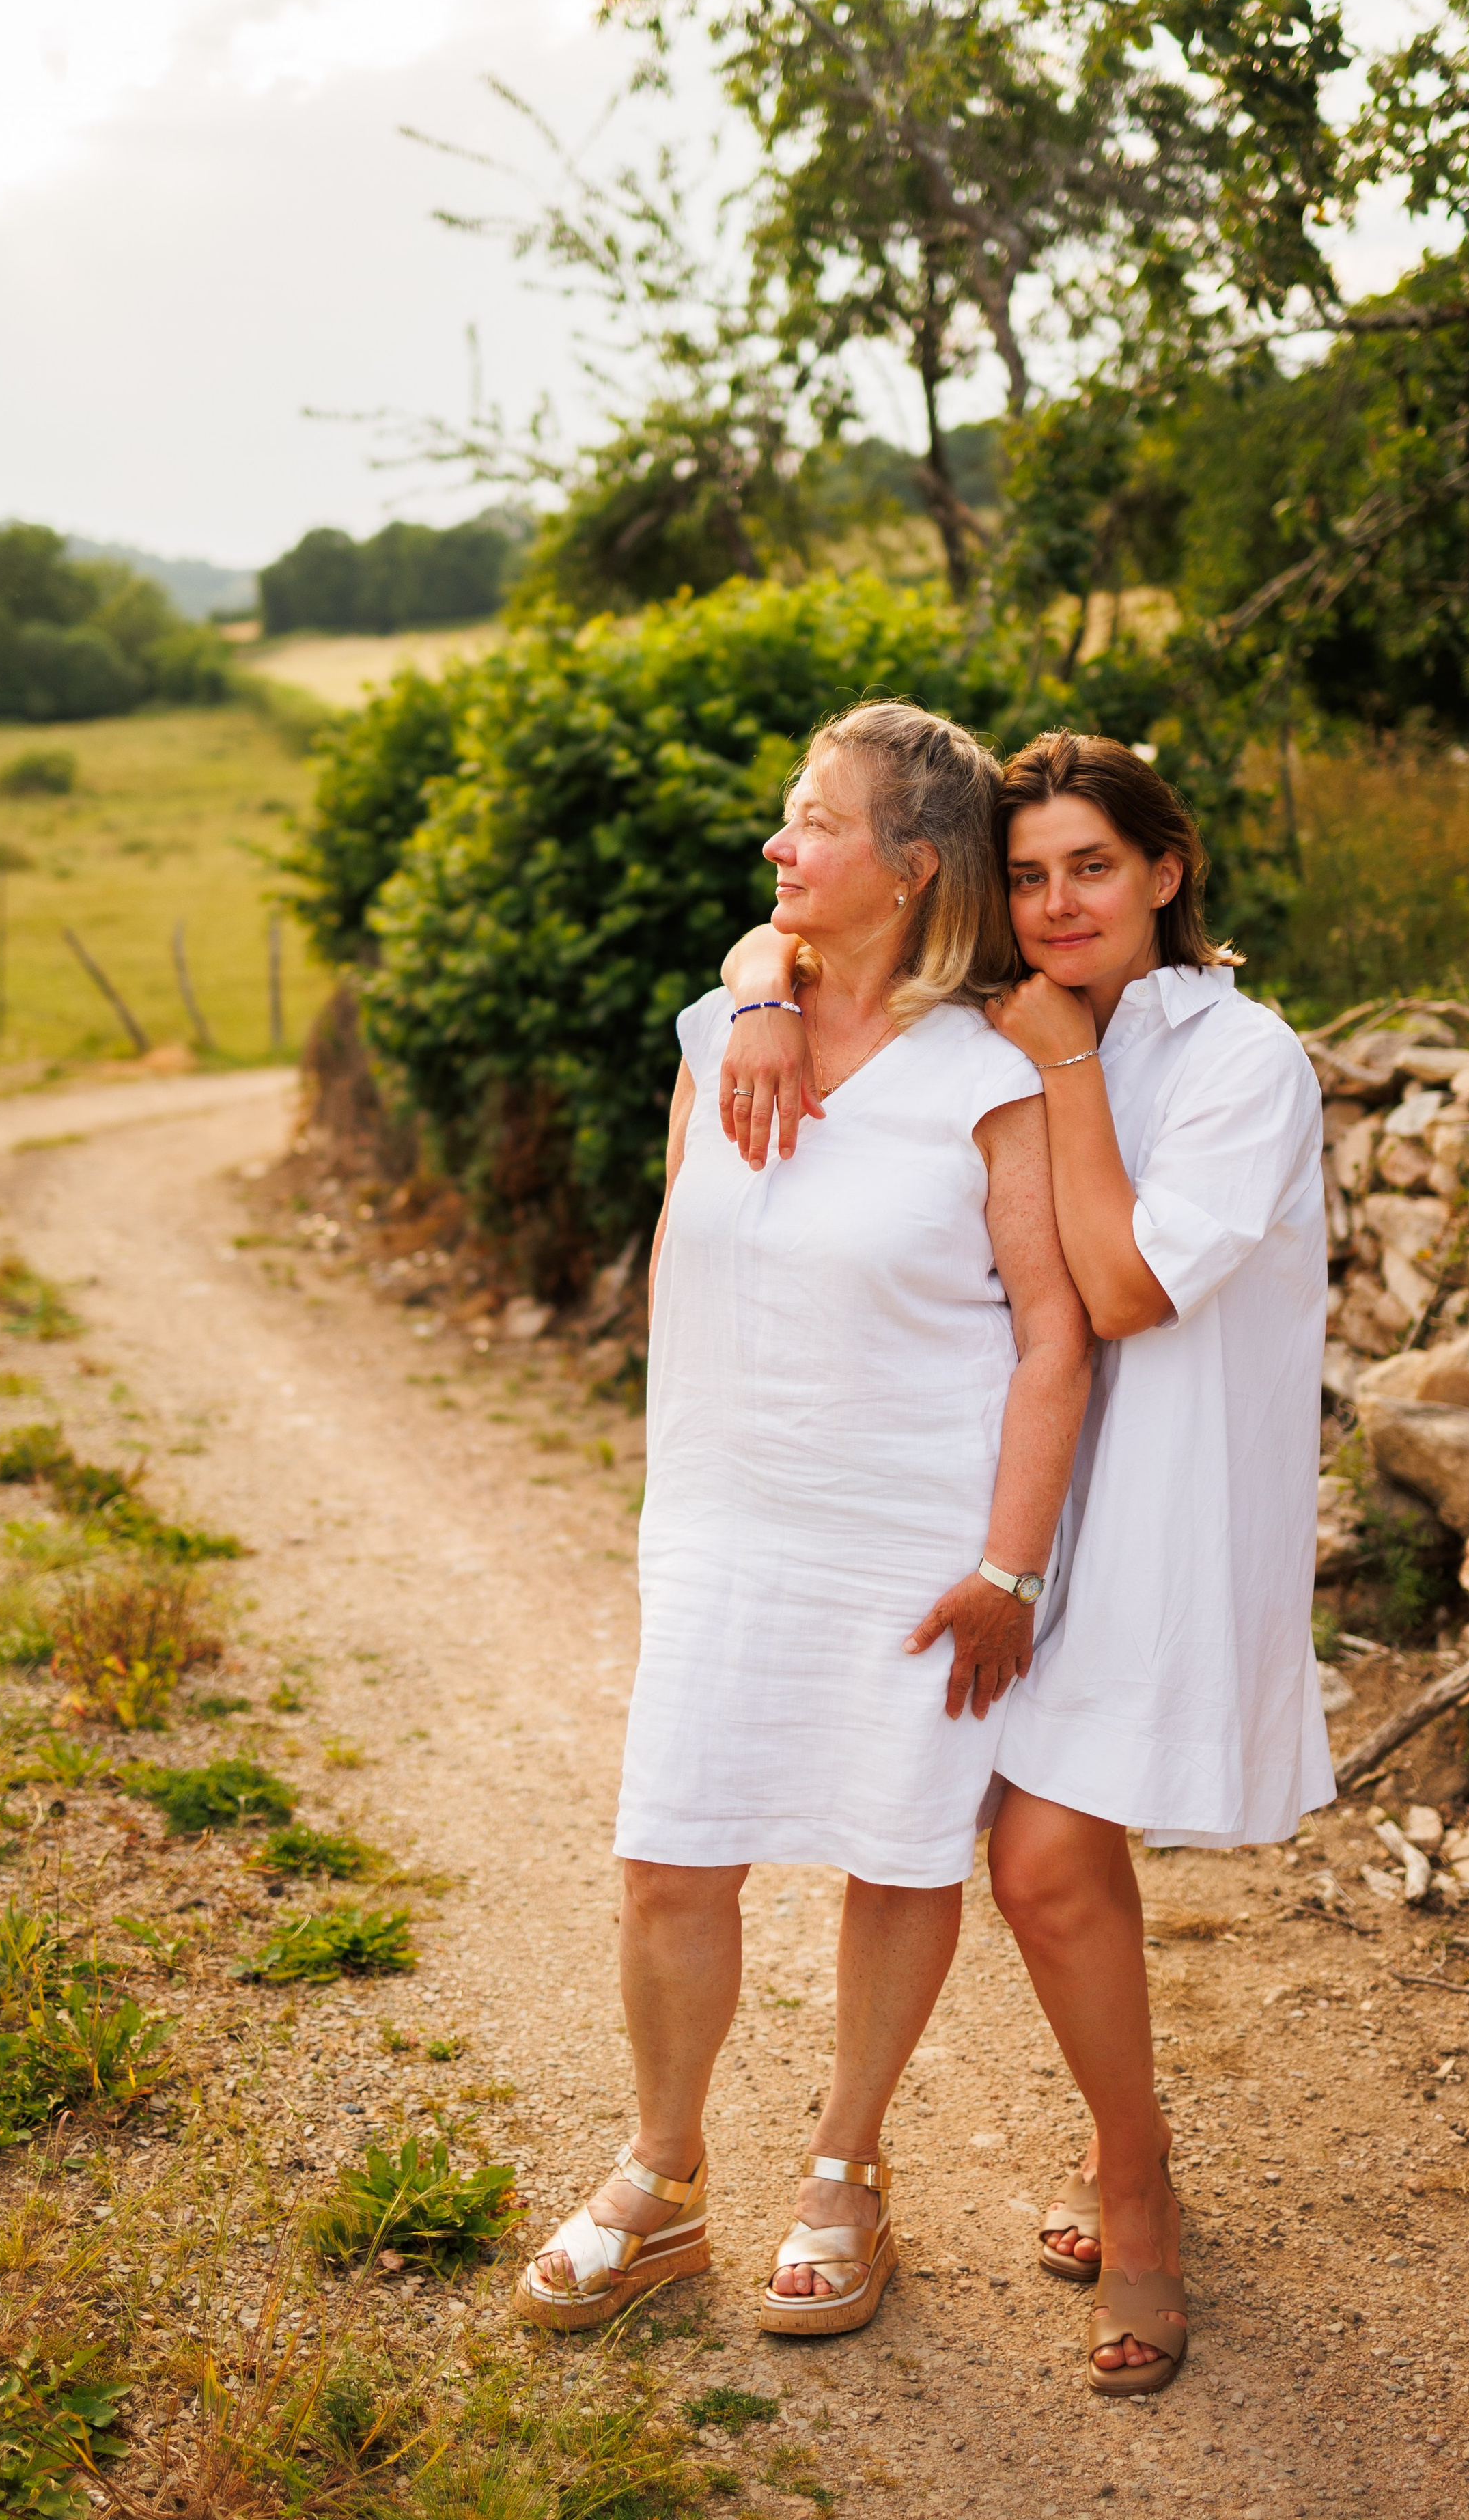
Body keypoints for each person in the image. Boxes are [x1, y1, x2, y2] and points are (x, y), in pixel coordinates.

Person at [717, 730, 1331, 2396]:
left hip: (1170, 1501)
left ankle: (1135, 2190)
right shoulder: (997, 995)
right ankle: (1115, 2144)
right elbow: (796, 922)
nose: (1058, 903)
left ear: (1165, 871)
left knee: (1044, 1862)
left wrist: (1060, 1068)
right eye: (1034, 871)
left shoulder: (1237, 1057)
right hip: (1018, 1490)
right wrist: (767, 985)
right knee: (1039, 1850)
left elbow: (1127, 1294)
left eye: (1093, 868)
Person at [515, 702, 1091, 2338]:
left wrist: (1006, 1568)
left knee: (891, 1853)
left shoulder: (989, 1077)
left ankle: (846, 2170)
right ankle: (662, 2178)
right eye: (783, 817)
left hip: (915, 1542)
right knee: (666, 1855)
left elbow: (1052, 1332)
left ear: (911, 870)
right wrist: (761, 985)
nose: (778, 844)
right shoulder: (717, 1034)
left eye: (814, 822)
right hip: (721, 1516)